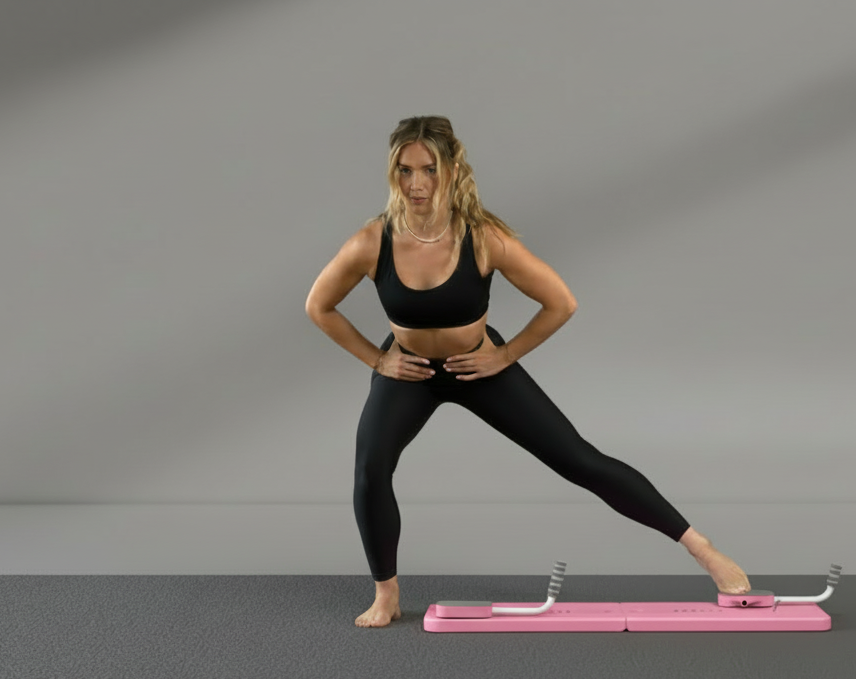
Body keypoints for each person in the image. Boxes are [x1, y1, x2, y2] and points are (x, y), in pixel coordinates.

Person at [306, 116, 751, 628]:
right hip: (410, 374)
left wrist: (505, 354)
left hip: (480, 368)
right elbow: (320, 306)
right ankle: (386, 594)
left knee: (580, 459)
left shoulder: (483, 238)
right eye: (405, 171)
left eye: (429, 169)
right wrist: (378, 360)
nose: (416, 184)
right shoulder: (372, 241)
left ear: (451, 170)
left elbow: (560, 302)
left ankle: (705, 550)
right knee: (369, 470)